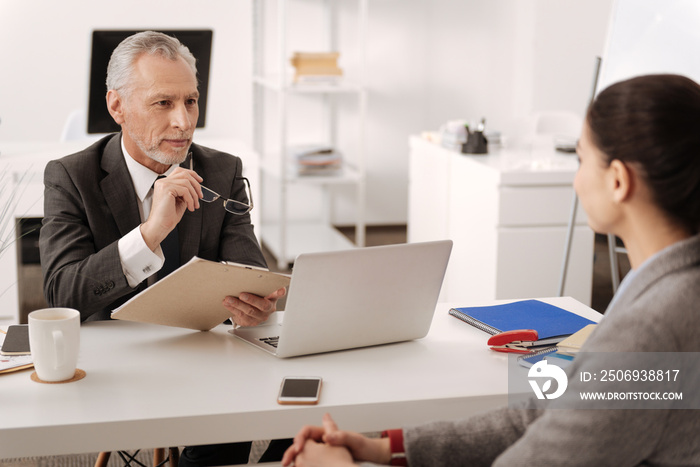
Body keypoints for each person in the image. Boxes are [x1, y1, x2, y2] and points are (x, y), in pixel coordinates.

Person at [281, 73, 700, 467]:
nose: (575, 180)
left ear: (617, 181)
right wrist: (385, 448)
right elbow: (543, 413)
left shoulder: (651, 329)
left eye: (580, 159)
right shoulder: (671, 289)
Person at [39, 31, 290, 465]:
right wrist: (149, 233)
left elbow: (248, 269)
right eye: (163, 103)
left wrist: (254, 303)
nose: (184, 121)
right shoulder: (71, 177)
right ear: (117, 106)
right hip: (120, 361)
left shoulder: (221, 169)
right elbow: (61, 293)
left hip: (206, 354)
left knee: (306, 418)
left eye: (190, 101)